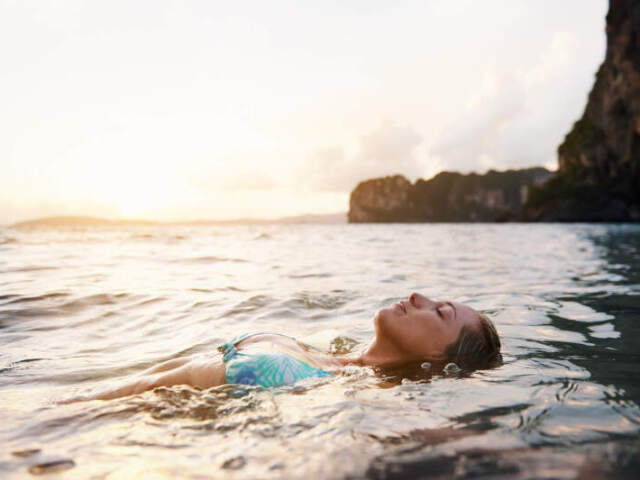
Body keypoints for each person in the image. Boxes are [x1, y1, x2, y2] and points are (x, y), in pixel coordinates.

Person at [82, 293, 501, 400]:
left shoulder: (316, 383)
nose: (416, 297)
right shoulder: (333, 362)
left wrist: (53, 414)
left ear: (438, 359)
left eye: (440, 312)